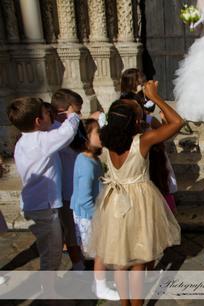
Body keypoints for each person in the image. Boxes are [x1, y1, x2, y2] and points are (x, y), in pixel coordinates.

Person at [89, 81, 182, 306]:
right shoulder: (142, 141)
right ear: (135, 123)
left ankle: (124, 303)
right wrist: (156, 97)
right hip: (139, 202)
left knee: (121, 260)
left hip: (113, 203)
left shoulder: (107, 141)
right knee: (139, 258)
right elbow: (177, 122)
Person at [7, 97, 79, 293]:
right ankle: (49, 293)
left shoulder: (26, 140)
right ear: (38, 121)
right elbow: (67, 133)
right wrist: (72, 115)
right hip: (44, 207)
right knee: (52, 251)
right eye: (47, 113)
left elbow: (55, 131)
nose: (52, 115)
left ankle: (50, 288)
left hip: (36, 204)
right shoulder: (41, 141)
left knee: (50, 246)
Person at [70, 118, 119, 300]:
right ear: (85, 138)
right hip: (89, 214)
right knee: (101, 251)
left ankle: (99, 280)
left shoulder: (91, 159)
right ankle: (100, 287)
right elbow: (83, 199)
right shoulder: (87, 164)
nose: (102, 134)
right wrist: (99, 216)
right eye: (98, 132)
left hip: (93, 211)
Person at [51, 88, 86, 271]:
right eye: (77, 110)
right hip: (66, 190)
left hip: (80, 186)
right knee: (71, 230)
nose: (80, 115)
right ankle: (78, 264)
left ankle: (87, 258)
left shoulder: (72, 127)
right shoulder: (56, 132)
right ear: (65, 111)